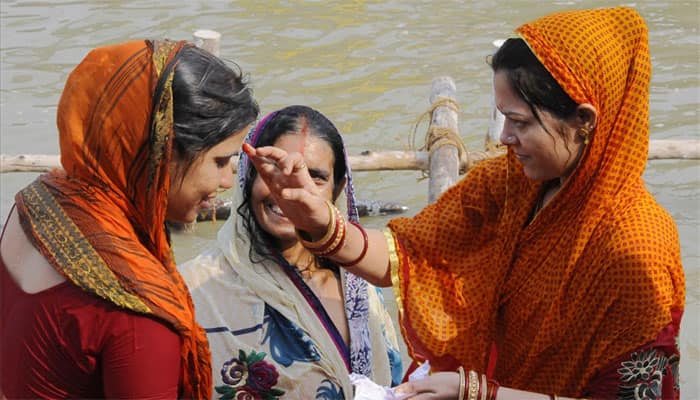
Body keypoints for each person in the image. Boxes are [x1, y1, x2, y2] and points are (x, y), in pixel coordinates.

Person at [241, 7, 685, 400]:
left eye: (519, 122)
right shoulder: (509, 184)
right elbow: (412, 258)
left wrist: (479, 392)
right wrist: (319, 222)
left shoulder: (637, 248)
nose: (505, 138)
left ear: (584, 121)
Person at [0, 39, 259, 398]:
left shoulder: (37, 202)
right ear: (163, 153)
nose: (228, 181)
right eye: (219, 161)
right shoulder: (138, 312)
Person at [179, 105, 403, 399]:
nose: (292, 189)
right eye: (275, 170)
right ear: (248, 178)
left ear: (337, 190)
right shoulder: (194, 289)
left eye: (316, 177)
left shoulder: (360, 280)